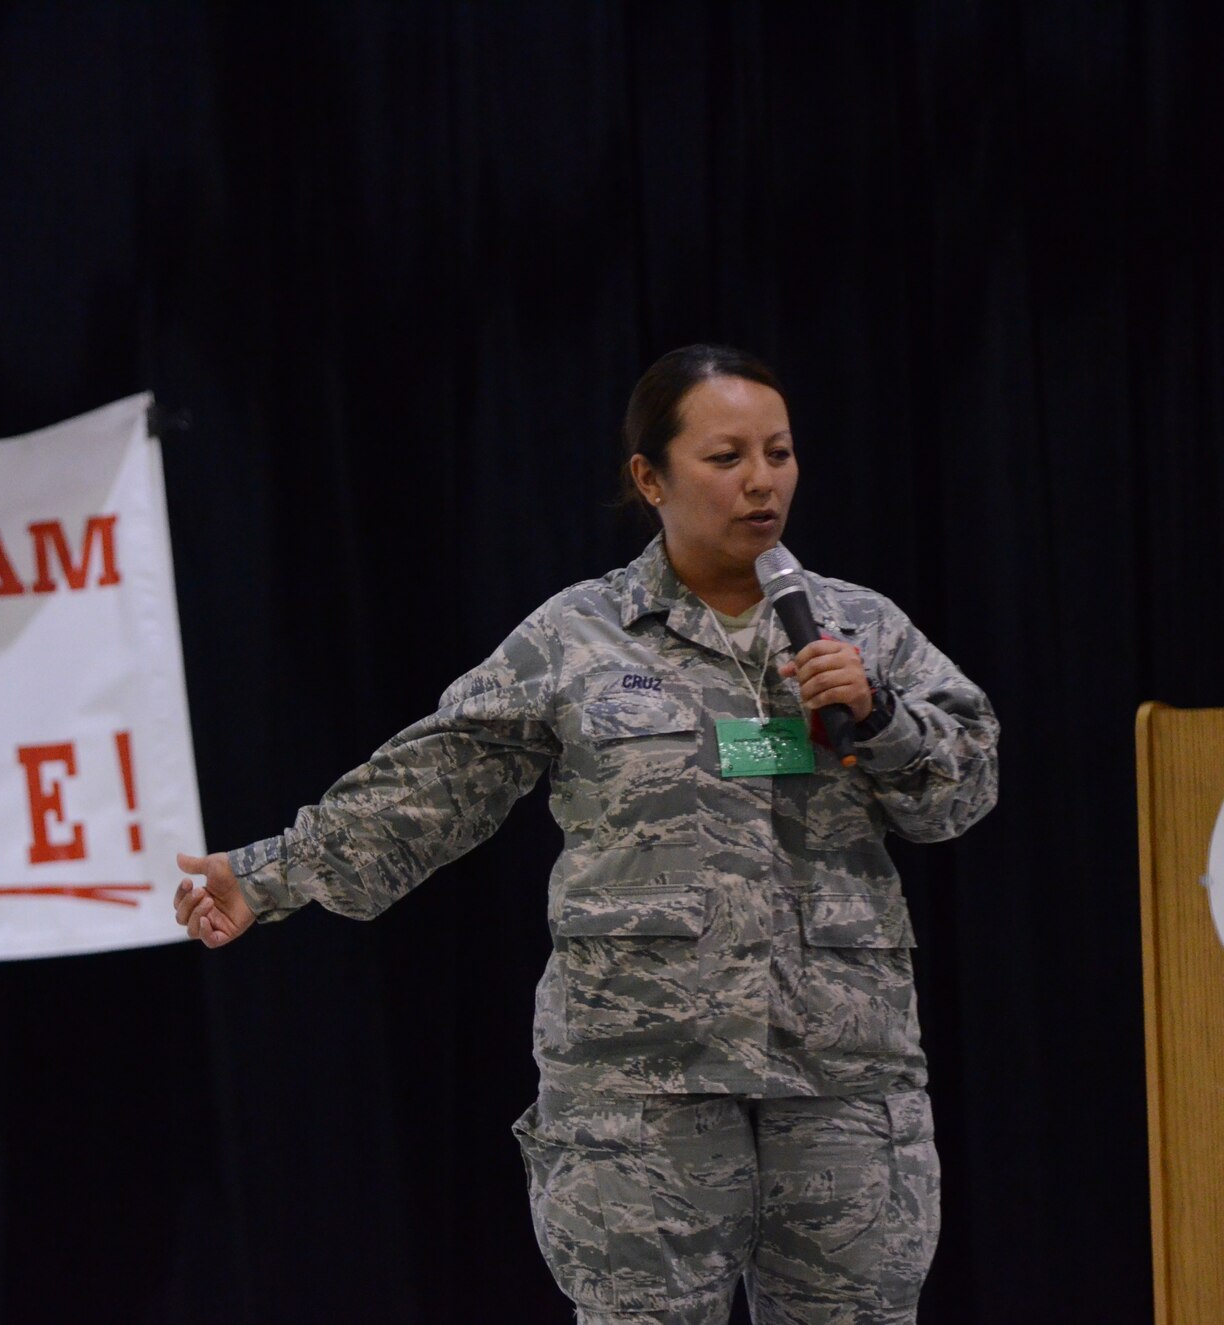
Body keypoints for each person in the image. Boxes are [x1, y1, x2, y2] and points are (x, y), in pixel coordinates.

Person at [173, 344, 999, 1325]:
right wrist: (263, 874)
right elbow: (433, 782)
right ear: (649, 476)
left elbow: (961, 793)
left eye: (777, 452)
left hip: (840, 1083)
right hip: (639, 1091)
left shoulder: (857, 628)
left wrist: (882, 714)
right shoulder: (577, 636)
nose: (760, 480)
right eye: (725, 456)